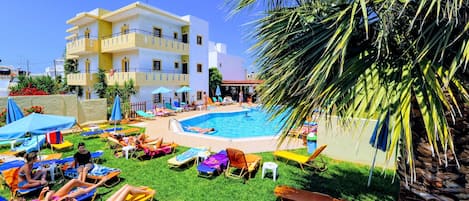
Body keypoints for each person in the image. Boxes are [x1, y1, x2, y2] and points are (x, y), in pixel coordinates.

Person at [33, 177, 109, 201]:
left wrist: (42, 193)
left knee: (74, 181)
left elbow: (39, 199)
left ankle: (97, 184)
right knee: (81, 191)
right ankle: (99, 184)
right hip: (57, 198)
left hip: (54, 197)